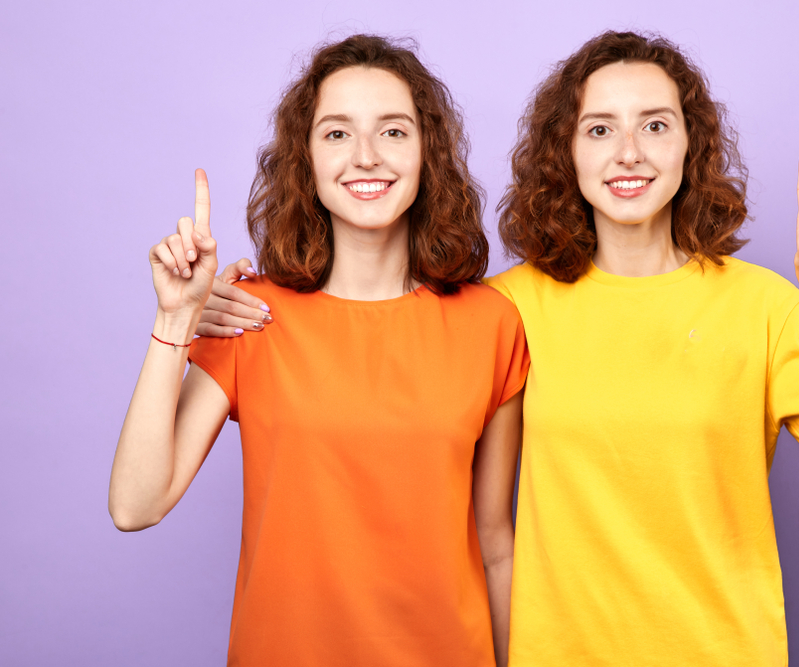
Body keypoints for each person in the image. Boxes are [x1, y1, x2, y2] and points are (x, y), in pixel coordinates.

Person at [484, 31, 799, 665]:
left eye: (655, 125)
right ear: (567, 152)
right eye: (600, 129)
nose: (628, 152)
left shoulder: (764, 307)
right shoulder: (511, 308)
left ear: (690, 145)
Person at [109, 35, 527, 667]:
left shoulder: (490, 323)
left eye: (392, 132)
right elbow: (135, 505)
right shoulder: (254, 318)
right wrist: (175, 319)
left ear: (427, 153)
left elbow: (496, 545)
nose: (365, 157)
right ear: (305, 158)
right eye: (336, 134)